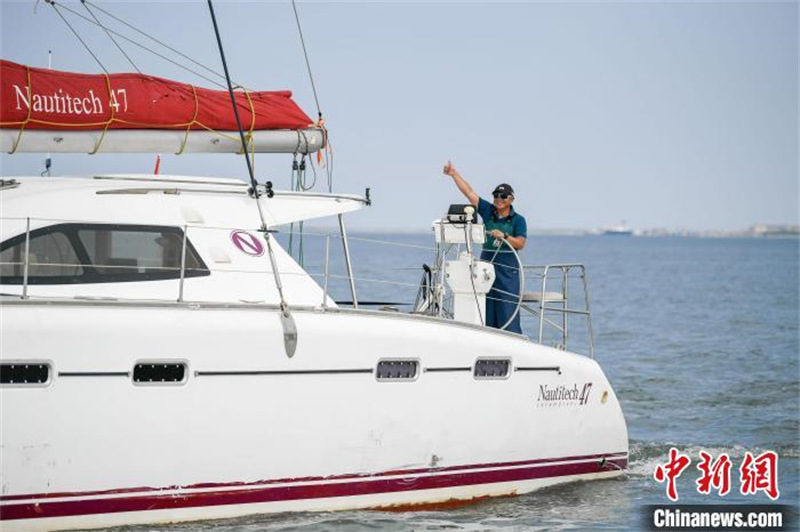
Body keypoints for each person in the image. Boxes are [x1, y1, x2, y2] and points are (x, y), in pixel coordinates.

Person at [442, 160, 527, 334]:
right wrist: (454, 174)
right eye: (496, 195)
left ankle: (512, 340)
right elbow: (469, 193)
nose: (498, 199)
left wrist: (504, 236)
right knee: (485, 307)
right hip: (487, 265)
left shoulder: (518, 220)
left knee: (507, 309)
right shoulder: (488, 210)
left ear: (511, 199)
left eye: (503, 196)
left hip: (508, 268)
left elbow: (521, 243)